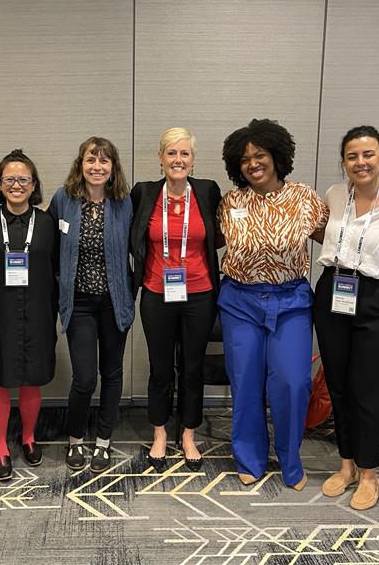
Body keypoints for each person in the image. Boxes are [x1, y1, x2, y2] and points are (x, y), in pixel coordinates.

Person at [217, 119, 328, 490]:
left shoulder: (304, 198)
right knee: (245, 381)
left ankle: (290, 459)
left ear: (277, 156)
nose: (253, 163)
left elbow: (337, 238)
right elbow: (206, 240)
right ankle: (249, 457)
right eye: (245, 158)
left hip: (291, 301)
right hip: (240, 301)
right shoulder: (231, 202)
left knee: (292, 382)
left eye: (260, 154)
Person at [312, 126, 379, 509]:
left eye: (368, 155)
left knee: (368, 391)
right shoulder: (335, 195)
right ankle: (347, 465)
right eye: (353, 156)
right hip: (333, 292)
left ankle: (370, 474)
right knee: (337, 385)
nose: (361, 163)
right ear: (344, 162)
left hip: (377, 298)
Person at [130, 128, 222, 472]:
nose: (178, 160)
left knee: (193, 367)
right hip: (156, 293)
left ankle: (187, 434)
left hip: (200, 295)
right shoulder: (144, 193)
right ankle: (159, 434)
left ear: (193, 160)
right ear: (160, 158)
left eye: (184, 154)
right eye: (171, 153)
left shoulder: (208, 191)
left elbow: (222, 232)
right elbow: (129, 232)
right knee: (160, 367)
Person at [49, 138, 134, 473]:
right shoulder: (63, 199)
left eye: (104, 160)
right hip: (79, 303)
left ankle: (103, 441)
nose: (97, 166)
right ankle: (76, 439)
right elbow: (49, 244)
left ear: (113, 167)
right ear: (80, 164)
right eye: (90, 159)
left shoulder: (124, 202)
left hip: (115, 302)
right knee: (85, 377)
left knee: (112, 373)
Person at [0, 150, 58, 480]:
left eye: (23, 179)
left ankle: (28, 437)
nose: (16, 185)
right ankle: (0, 448)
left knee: (32, 377)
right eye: (9, 179)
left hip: (37, 311)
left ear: (34, 184)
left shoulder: (48, 223)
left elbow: (56, 268)